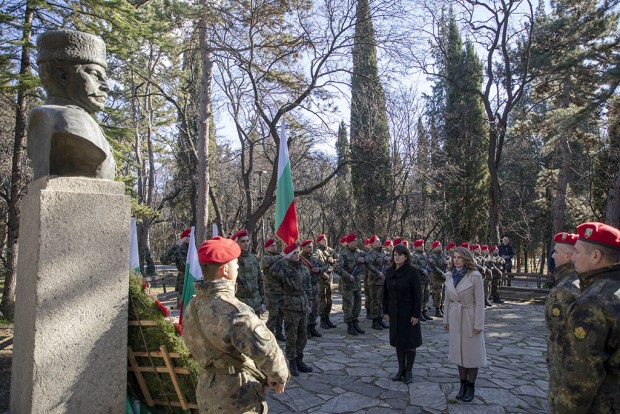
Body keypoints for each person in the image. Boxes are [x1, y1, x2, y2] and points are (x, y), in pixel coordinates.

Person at [182, 236, 289, 413]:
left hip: (207, 390)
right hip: (237, 396)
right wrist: (279, 376)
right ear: (225, 270)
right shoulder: (235, 311)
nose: (238, 267)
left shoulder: (192, 306)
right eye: (235, 263)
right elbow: (267, 350)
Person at [551, 222, 620, 413]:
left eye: (578, 252)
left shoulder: (593, 302)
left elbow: (581, 377)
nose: (573, 257)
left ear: (595, 256)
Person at [29, 30, 116, 180]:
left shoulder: (58, 118)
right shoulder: (67, 120)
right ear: (62, 75)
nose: (106, 86)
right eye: (95, 75)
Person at [443, 246, 487, 403]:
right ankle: (462, 385)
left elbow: (480, 301)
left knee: (471, 354)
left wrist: (478, 323)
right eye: (454, 257)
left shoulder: (474, 276)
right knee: (458, 353)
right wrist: (446, 319)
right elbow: (447, 300)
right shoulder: (449, 275)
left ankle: (471, 386)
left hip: (470, 316)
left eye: (459, 257)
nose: (455, 260)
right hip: (455, 316)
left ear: (466, 259)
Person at [544, 232, 580, 412]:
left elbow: (559, 334)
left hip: (566, 367)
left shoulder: (566, 288)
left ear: (568, 256)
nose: (552, 256)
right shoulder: (572, 281)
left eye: (556, 252)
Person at [383, 244, 423, 384]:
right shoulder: (389, 272)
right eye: (395, 254)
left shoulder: (412, 272)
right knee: (398, 342)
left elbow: (418, 295)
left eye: (400, 254)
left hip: (409, 313)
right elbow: (385, 293)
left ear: (406, 256)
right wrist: (386, 311)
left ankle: (409, 371)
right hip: (395, 312)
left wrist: (416, 314)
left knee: (410, 342)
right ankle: (401, 369)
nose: (397, 257)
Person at [272, 243, 314, 377]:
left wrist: (309, 303)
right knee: (292, 336)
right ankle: (292, 363)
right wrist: (283, 258)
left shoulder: (303, 268)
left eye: (297, 252)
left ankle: (299, 360)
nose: (297, 255)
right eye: (294, 253)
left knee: (303, 336)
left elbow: (308, 288)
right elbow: (271, 276)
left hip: (303, 305)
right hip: (290, 307)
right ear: (289, 256)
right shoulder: (283, 267)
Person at [334, 233, 366, 336]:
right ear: (348, 242)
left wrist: (363, 260)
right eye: (353, 241)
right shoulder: (344, 254)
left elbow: (369, 259)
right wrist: (348, 276)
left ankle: (355, 322)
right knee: (349, 305)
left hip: (357, 283)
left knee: (357, 304)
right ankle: (350, 325)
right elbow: (337, 268)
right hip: (348, 285)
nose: (356, 242)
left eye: (356, 241)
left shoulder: (359, 253)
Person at [232, 229, 266, 315]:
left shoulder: (253, 258)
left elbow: (260, 280)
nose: (246, 243)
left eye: (247, 241)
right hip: (240, 305)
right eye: (243, 241)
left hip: (256, 304)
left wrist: (263, 302)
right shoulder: (232, 260)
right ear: (236, 242)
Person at [299, 239, 327, 338]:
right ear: (303, 248)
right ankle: (306, 329)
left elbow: (325, 266)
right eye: (308, 247)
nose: (311, 248)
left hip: (315, 286)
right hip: (305, 288)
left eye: (311, 246)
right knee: (307, 309)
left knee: (315, 308)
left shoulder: (315, 259)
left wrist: (319, 270)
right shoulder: (300, 259)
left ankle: (312, 326)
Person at [261, 238, 285, 341]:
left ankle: (278, 332)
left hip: (281, 290)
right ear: (266, 248)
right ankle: (268, 334)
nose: (275, 247)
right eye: (272, 246)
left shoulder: (279, 257)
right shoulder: (265, 258)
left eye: (275, 245)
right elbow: (270, 262)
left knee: (281, 314)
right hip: (271, 292)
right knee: (273, 315)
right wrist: (282, 256)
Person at [160, 228, 190, 303]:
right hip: (183, 285)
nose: (191, 238)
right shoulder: (179, 251)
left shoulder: (199, 248)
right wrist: (176, 246)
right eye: (189, 236)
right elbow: (164, 260)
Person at [364, 235, 388, 330]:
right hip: (374, 281)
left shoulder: (383, 252)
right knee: (375, 302)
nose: (379, 242)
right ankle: (375, 321)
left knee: (381, 301)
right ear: (372, 243)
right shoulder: (372, 253)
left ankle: (380, 319)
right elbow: (368, 264)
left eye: (379, 241)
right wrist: (377, 272)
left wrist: (387, 260)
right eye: (377, 241)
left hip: (382, 281)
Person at [315, 234, 337, 329]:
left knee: (329, 298)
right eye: (323, 240)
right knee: (322, 298)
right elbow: (315, 262)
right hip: (321, 278)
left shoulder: (330, 250)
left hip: (329, 277)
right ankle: (322, 319)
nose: (325, 241)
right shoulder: (317, 251)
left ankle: (327, 317)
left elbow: (338, 259)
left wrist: (333, 260)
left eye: (326, 239)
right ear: (319, 241)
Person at [412, 240, 432, 321]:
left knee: (426, 297)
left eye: (423, 245)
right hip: (419, 279)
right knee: (420, 297)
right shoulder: (415, 256)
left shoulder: (424, 255)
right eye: (420, 246)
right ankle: (418, 313)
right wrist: (422, 270)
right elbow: (413, 265)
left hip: (426, 279)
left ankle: (424, 311)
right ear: (416, 247)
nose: (422, 247)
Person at [427, 241, 448, 317]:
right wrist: (441, 273)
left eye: (441, 245)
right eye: (438, 246)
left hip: (443, 277)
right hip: (436, 277)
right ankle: (437, 309)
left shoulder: (442, 255)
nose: (440, 247)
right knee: (438, 293)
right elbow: (433, 267)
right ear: (435, 247)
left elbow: (446, 263)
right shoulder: (432, 256)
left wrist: (446, 264)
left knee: (443, 293)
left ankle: (441, 307)